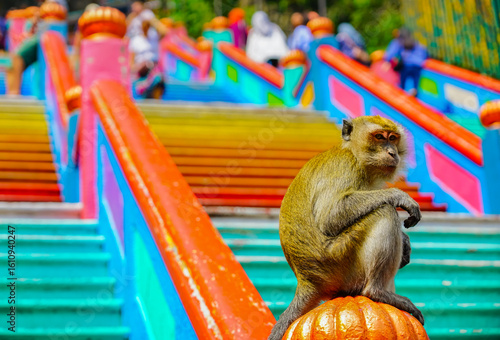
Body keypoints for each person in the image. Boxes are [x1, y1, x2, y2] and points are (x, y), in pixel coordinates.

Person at [383, 27, 428, 96]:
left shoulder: (399, 42)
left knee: (402, 84)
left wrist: (388, 61)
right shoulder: (416, 42)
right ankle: (414, 91)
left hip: (406, 66)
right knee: (415, 84)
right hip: (417, 66)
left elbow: (390, 54)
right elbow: (424, 53)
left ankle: (403, 93)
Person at [129, 20, 165, 99]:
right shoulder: (136, 40)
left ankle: (156, 98)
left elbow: (164, 31)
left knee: (159, 78)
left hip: (153, 66)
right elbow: (132, 58)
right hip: (141, 68)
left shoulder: (154, 37)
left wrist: (152, 20)